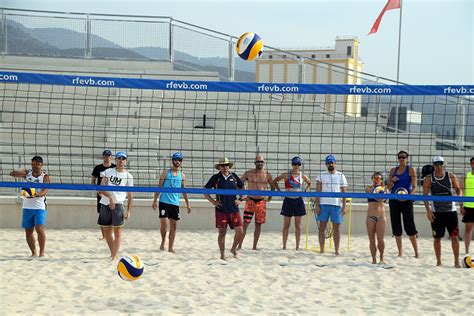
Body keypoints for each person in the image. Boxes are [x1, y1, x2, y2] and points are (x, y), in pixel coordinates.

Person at [423, 156, 462, 268]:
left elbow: (458, 189)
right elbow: (425, 196)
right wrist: (428, 211)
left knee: (454, 237)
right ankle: (439, 262)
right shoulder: (429, 178)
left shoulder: (450, 176)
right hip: (436, 212)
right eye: (436, 164)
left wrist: (459, 199)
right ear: (433, 165)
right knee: (437, 238)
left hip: (451, 211)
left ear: (443, 164)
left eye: (440, 164)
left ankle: (456, 262)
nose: (438, 166)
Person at [9, 155, 51, 257]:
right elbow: (12, 174)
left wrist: (36, 194)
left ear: (41, 165)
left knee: (39, 229)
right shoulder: (27, 174)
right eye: (33, 163)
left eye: (37, 164)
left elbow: (45, 191)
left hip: (39, 207)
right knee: (28, 231)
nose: (35, 165)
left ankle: (41, 253)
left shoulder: (45, 177)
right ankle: (33, 253)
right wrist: (20, 173)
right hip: (27, 207)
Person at [204, 157, 244, 260]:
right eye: (223, 165)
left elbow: (243, 188)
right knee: (222, 233)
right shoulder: (216, 177)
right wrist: (213, 202)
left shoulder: (234, 176)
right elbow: (205, 190)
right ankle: (222, 255)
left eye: (226, 165)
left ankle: (233, 249)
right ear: (219, 167)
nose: (225, 167)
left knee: (240, 231)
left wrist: (240, 199)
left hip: (234, 209)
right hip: (221, 209)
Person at [152, 152, 191, 253]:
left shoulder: (182, 175)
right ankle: (163, 241)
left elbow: (184, 190)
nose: (177, 161)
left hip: (175, 203)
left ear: (181, 162)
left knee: (174, 226)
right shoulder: (166, 172)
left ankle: (170, 248)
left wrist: (188, 204)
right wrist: (155, 200)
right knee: (164, 224)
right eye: (176, 159)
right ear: (172, 160)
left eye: (179, 160)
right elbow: (159, 187)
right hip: (164, 201)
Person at [98, 151, 134, 260]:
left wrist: (128, 211)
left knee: (118, 231)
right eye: (119, 158)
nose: (121, 160)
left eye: (123, 158)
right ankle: (113, 253)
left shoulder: (128, 176)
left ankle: (114, 255)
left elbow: (130, 195)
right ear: (116, 160)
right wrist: (110, 198)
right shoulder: (108, 172)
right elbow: (101, 188)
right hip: (105, 203)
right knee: (107, 231)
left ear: (126, 161)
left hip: (118, 204)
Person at [273, 156, 312, 250]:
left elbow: (310, 183)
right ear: (292, 164)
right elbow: (275, 181)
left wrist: (306, 191)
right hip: (288, 200)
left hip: (298, 200)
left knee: (298, 225)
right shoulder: (286, 175)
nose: (296, 166)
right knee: (286, 225)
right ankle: (284, 246)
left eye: (298, 164)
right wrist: (279, 191)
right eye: (295, 164)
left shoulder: (302, 175)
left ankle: (297, 247)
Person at [238, 154, 275, 250]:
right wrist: (243, 196)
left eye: (261, 161)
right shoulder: (248, 173)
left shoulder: (267, 174)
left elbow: (273, 186)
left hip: (261, 201)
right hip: (250, 201)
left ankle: (254, 246)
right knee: (245, 224)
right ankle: (239, 245)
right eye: (258, 161)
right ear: (254, 162)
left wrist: (270, 197)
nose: (260, 163)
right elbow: (238, 184)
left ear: (264, 163)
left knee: (258, 225)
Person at [313, 154, 348, 255]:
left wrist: (344, 206)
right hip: (324, 204)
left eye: (332, 162)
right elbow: (318, 191)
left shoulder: (341, 175)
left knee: (336, 228)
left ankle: (336, 251)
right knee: (322, 228)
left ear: (335, 163)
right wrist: (317, 205)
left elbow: (344, 192)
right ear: (326, 164)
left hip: (336, 205)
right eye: (329, 162)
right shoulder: (321, 175)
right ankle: (322, 250)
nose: (330, 164)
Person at [387, 150, 419, 258]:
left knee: (409, 225)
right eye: (399, 157)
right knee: (396, 226)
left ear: (407, 158)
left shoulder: (411, 170)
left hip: (406, 200)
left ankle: (416, 252)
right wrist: (392, 181)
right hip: (394, 200)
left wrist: (408, 196)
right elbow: (389, 187)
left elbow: (415, 187)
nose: (401, 159)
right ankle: (400, 252)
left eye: (403, 157)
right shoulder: (393, 170)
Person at [91, 150, 116, 240]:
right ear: (103, 157)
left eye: (108, 156)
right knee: (102, 215)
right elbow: (93, 181)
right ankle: (104, 236)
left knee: (113, 214)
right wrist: (97, 190)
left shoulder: (115, 167)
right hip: (101, 194)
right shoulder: (97, 168)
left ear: (111, 157)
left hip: (112, 194)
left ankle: (110, 235)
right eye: (105, 156)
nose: (107, 158)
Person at [366, 172, 387, 264]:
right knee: (371, 239)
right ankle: (373, 259)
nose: (376, 180)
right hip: (370, 216)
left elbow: (381, 199)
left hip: (381, 216)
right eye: (375, 178)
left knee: (380, 239)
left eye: (378, 178)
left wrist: (383, 188)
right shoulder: (368, 189)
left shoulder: (385, 190)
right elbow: (369, 191)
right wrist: (375, 188)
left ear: (381, 180)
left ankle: (381, 258)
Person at [460, 157, 474, 254]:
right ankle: (466, 250)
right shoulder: (465, 176)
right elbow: (461, 191)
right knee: (468, 229)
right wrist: (461, 206)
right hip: (468, 206)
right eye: (472, 162)